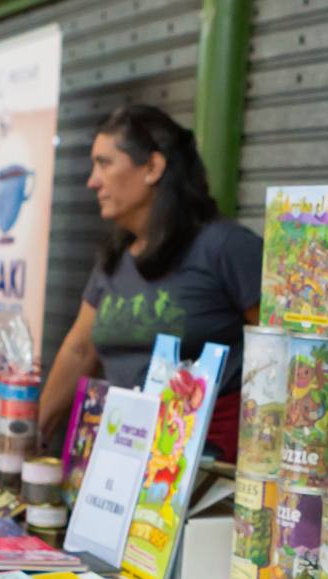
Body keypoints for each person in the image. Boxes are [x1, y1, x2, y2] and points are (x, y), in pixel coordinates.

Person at [38, 105, 260, 456]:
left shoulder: (225, 247)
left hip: (208, 473)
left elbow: (284, 355)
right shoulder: (115, 257)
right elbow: (79, 350)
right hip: (123, 456)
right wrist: (29, 437)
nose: (92, 180)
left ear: (153, 167)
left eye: (105, 163)